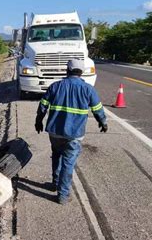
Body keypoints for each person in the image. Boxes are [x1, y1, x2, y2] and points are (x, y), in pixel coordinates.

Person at [34, 59, 108, 205]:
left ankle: (55, 183)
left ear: (67, 70)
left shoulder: (55, 86)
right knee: (68, 163)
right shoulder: (88, 89)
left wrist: (38, 121)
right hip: (74, 134)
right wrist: (103, 122)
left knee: (56, 155)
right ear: (81, 72)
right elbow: (98, 109)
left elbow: (43, 105)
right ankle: (63, 195)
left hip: (55, 132)